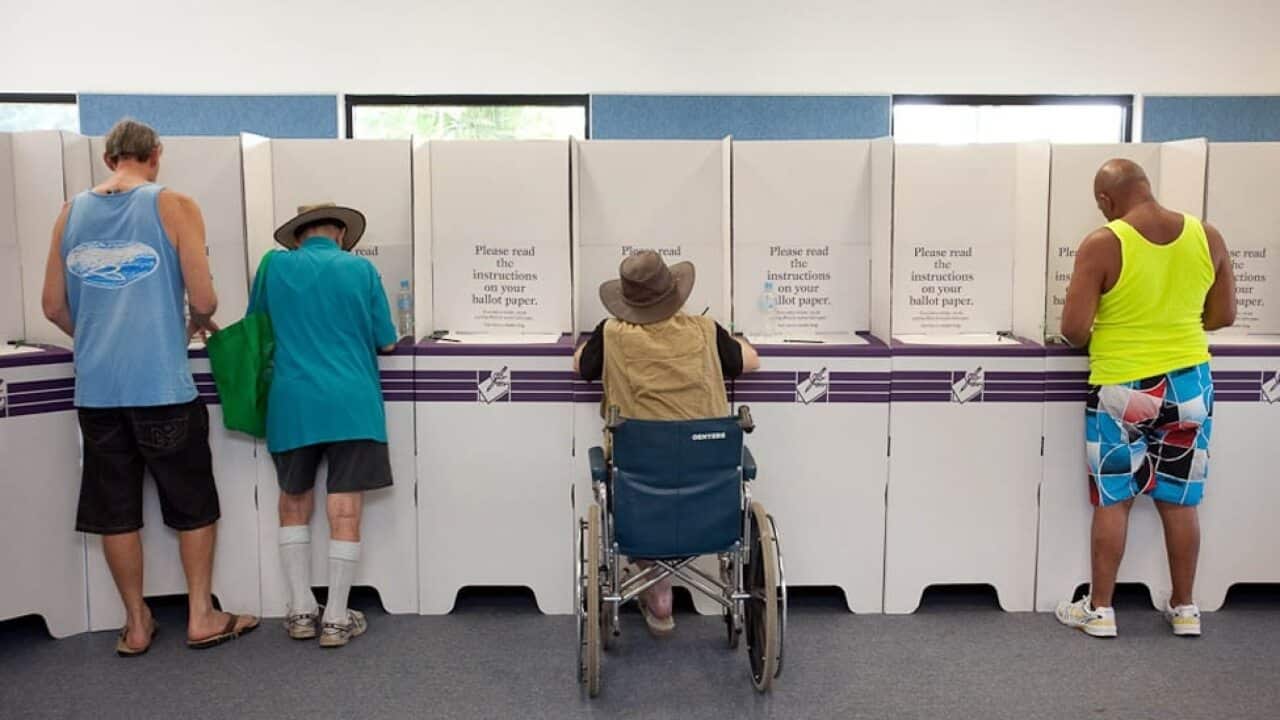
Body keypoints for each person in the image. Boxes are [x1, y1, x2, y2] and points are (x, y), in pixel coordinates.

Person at [40, 118, 259, 655]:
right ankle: (201, 616)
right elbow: (205, 300)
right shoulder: (175, 205)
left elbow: (51, 306)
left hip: (97, 393)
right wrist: (179, 328)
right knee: (193, 504)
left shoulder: (69, 213)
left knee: (114, 510)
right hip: (161, 385)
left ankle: (136, 624)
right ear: (155, 155)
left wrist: (93, 337)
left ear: (107, 158)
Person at [1056, 158, 1235, 638]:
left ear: (1105, 201)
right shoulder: (1207, 236)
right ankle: (1184, 609)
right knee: (1180, 500)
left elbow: (1072, 331)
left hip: (1125, 385)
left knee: (1114, 499)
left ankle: (1101, 610)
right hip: (1190, 385)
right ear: (1147, 188)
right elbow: (1222, 316)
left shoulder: (1104, 242)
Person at [574, 250, 760, 636]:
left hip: (640, 487)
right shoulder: (706, 330)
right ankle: (661, 585)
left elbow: (579, 365)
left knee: (636, 474)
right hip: (707, 485)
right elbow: (751, 361)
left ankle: (656, 587)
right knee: (686, 463)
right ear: (675, 293)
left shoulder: (610, 334)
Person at [250, 203, 398, 648]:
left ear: (298, 235)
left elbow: (256, 327)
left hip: (293, 400)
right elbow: (386, 340)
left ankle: (299, 611)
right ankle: (335, 618)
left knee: (293, 502)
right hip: (352, 402)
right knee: (345, 508)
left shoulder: (273, 267)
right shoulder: (361, 271)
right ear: (340, 233)